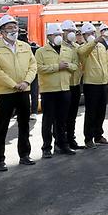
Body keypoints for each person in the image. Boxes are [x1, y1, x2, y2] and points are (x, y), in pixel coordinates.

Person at [0, 14, 39, 172]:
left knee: (24, 125)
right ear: (1, 31)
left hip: (24, 90)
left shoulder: (25, 46)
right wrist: (13, 84)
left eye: (15, 27)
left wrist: (26, 82)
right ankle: (0, 160)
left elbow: (33, 66)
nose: (13, 30)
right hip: (6, 93)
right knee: (2, 127)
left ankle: (24, 155)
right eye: (9, 28)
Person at [35, 22, 76, 157]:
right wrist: (57, 67)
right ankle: (46, 147)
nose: (58, 36)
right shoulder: (41, 51)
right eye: (55, 35)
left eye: (59, 34)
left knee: (62, 120)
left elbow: (75, 66)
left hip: (64, 89)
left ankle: (62, 145)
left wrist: (67, 66)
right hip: (49, 91)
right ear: (49, 36)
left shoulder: (68, 50)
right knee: (48, 120)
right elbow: (39, 68)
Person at [78, 22, 108, 147]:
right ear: (84, 36)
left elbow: (105, 64)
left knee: (101, 111)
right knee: (91, 112)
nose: (91, 35)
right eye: (88, 34)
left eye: (93, 33)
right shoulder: (82, 47)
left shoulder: (101, 47)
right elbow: (83, 53)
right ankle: (88, 138)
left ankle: (98, 135)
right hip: (91, 84)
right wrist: (94, 41)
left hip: (102, 83)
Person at [60, 20, 85, 150]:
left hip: (75, 84)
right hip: (64, 85)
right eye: (68, 31)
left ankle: (71, 139)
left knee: (72, 116)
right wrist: (72, 67)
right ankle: (61, 142)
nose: (71, 34)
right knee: (62, 116)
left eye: (73, 32)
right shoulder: (59, 47)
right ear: (62, 33)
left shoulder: (77, 47)